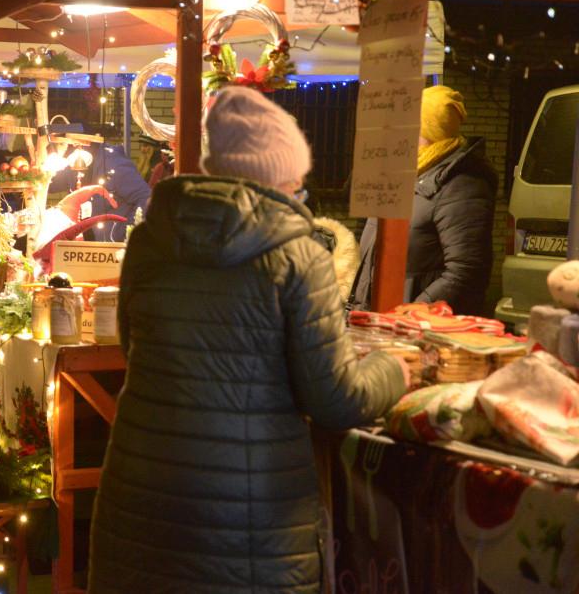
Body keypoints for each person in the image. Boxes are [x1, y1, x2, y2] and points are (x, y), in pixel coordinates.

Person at [87, 86, 409, 593]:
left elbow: (134, 350)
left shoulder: (152, 239)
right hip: (252, 530)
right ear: (277, 174)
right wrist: (399, 368)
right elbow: (336, 398)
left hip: (141, 503)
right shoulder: (299, 256)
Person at [351, 85, 497, 315]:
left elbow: (467, 270)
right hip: (379, 320)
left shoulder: (462, 184)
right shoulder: (401, 174)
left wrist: (410, 314)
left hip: (420, 331)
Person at [48, 141, 150, 242]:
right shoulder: (72, 162)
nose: (62, 148)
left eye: (62, 144)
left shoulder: (114, 164)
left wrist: (129, 236)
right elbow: (52, 185)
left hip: (113, 248)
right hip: (86, 244)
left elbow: (145, 198)